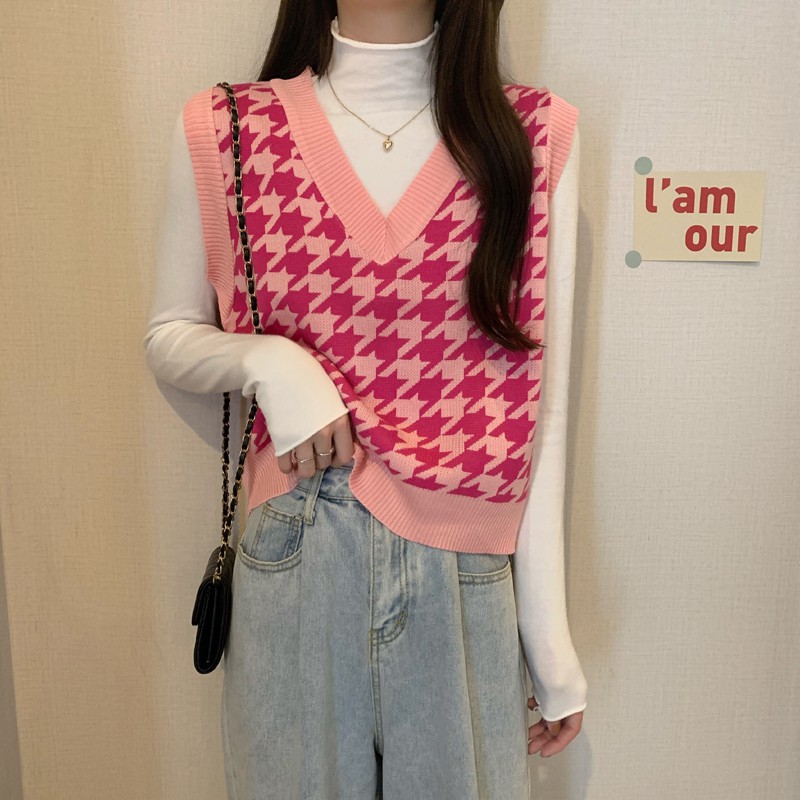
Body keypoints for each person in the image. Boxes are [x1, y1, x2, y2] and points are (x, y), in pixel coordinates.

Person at [143, 2, 587, 798]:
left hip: (464, 575)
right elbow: (170, 333)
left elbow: (539, 403)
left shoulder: (528, 137)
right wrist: (272, 363)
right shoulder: (230, 130)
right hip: (297, 553)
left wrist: (547, 635)